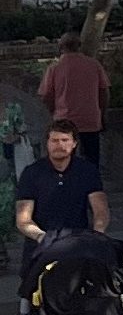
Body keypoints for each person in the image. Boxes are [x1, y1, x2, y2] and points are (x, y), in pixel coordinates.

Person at [18, 120, 109, 252]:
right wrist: (42, 237)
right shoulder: (31, 173)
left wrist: (97, 233)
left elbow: (100, 210)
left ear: (74, 144)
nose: (59, 145)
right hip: (41, 245)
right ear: (47, 143)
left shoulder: (87, 170)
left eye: (65, 140)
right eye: (54, 140)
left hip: (78, 242)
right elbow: (23, 219)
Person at [38, 27, 109, 167]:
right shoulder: (94, 65)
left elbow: (46, 95)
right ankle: (90, 184)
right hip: (90, 119)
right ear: (79, 46)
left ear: (61, 47)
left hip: (64, 120)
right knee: (91, 158)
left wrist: (53, 111)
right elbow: (104, 92)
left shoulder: (55, 68)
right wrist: (102, 114)